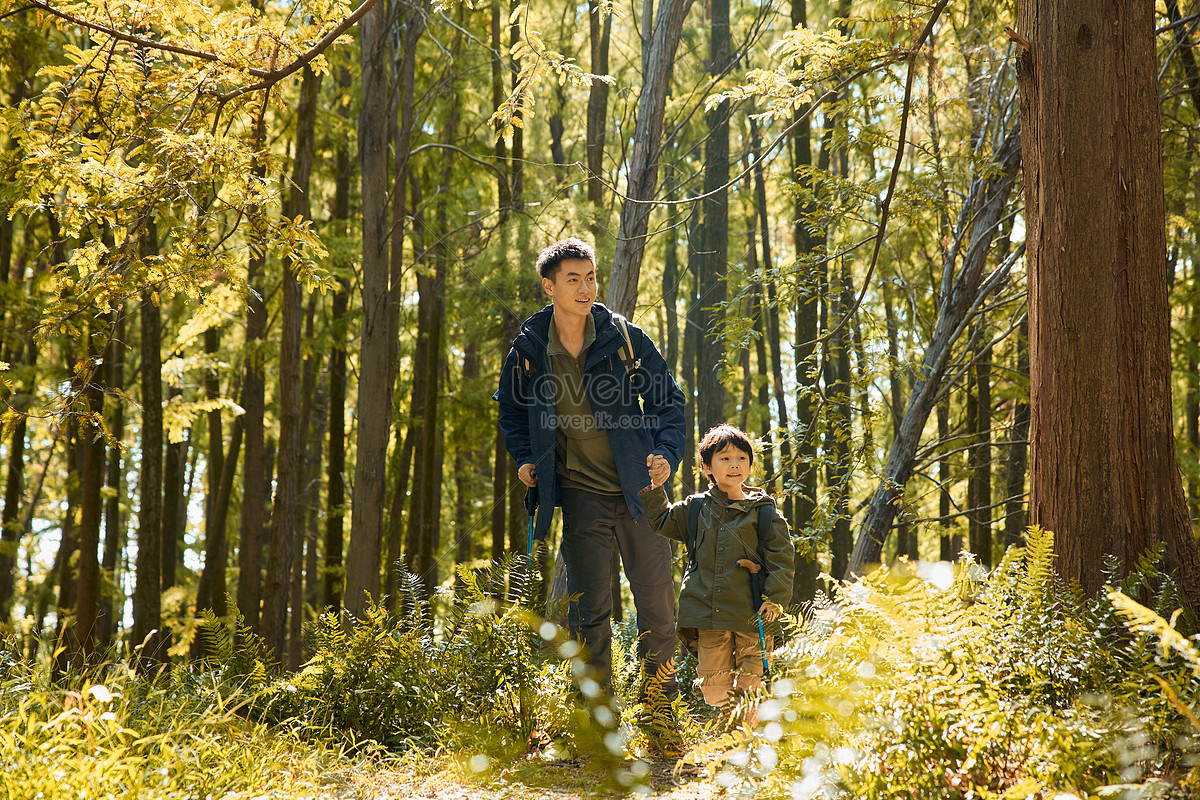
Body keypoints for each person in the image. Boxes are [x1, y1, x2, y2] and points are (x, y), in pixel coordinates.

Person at [494, 237, 686, 698]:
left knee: (657, 604)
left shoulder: (623, 338)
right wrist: (524, 459)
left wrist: (666, 454)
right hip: (580, 494)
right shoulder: (529, 349)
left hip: (642, 494)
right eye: (573, 279)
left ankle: (659, 709)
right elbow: (511, 413)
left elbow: (668, 402)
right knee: (590, 609)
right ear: (549, 287)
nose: (586, 288)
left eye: (591, 277)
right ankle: (598, 718)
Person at [640, 424, 794, 725]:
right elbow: (662, 522)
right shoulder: (695, 509)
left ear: (750, 464)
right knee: (713, 685)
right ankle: (730, 729)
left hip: (753, 615)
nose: (734, 464)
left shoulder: (765, 513)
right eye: (724, 458)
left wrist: (775, 599)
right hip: (709, 616)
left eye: (741, 458)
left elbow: (782, 561)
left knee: (751, 683)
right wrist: (656, 489)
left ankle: (740, 742)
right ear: (707, 467)